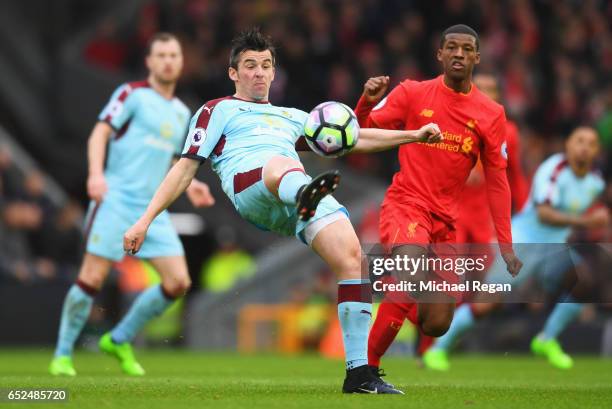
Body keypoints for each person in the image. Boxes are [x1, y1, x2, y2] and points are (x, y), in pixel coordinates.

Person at [123, 28, 443, 394]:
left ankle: (359, 374)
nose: (258, 72)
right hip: (252, 188)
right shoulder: (218, 110)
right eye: (249, 66)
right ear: (233, 73)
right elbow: (184, 167)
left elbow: (353, 139)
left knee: (352, 257)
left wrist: (413, 135)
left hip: (291, 195)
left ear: (274, 72)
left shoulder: (294, 116)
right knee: (280, 165)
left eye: (265, 65)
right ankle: (306, 192)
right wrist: (144, 220)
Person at [353, 24, 523, 376]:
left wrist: (505, 243)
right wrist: (366, 102)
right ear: (440, 54)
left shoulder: (491, 115)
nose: (458, 54)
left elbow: (498, 181)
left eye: (466, 49)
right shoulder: (412, 93)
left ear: (477, 56)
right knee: (409, 280)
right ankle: (364, 370)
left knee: (437, 323)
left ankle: (398, 297)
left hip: (446, 222)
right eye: (451, 48)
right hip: (406, 204)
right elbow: (361, 133)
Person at [49, 33, 215, 377]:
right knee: (92, 278)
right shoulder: (132, 94)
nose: (168, 60)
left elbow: (173, 161)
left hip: (151, 211)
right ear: (150, 62)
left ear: (180, 63)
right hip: (115, 201)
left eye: (174, 55)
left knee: (178, 283)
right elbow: (99, 133)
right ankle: (62, 355)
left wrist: (193, 184)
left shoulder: (182, 111)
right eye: (162, 55)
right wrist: (96, 175)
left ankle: (119, 339)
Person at [423, 126, 608, 370]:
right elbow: (544, 214)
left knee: (583, 282)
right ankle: (437, 350)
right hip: (522, 241)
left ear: (597, 151)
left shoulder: (595, 182)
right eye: (579, 141)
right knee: (487, 304)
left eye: (591, 143)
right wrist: (586, 222)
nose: (584, 146)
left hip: (552, 249)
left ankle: (546, 339)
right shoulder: (553, 170)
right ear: (568, 146)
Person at [416, 73, 530, 359]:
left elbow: (514, 175)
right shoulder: (452, 123)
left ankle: (454, 341)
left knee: (489, 288)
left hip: (483, 220)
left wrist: (526, 211)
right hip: (451, 215)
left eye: (493, 89)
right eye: (483, 89)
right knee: (444, 282)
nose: (488, 94)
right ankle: (429, 346)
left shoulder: (509, 132)